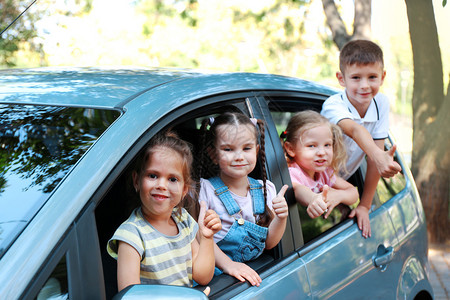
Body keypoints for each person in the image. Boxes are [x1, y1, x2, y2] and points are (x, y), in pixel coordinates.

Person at [107, 131, 222, 294]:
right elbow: (131, 296)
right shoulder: (131, 235)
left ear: (184, 190)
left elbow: (202, 276)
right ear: (136, 181)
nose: (162, 185)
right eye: (153, 175)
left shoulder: (183, 220)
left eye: (172, 179)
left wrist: (208, 238)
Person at [321, 39, 401, 238]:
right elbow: (355, 131)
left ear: (382, 77)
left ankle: (343, 199)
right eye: (356, 77)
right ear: (341, 78)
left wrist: (365, 206)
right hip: (317, 179)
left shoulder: (380, 102)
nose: (365, 86)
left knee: (352, 195)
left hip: (342, 182)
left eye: (372, 77)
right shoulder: (333, 105)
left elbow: (375, 160)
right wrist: (378, 155)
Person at [197, 112, 289, 287]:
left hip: (250, 275)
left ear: (256, 150)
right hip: (216, 277)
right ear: (213, 154)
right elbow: (199, 238)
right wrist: (229, 265)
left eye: (246, 149)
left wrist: (281, 218)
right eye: (228, 149)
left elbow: (269, 243)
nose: (239, 156)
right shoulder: (206, 190)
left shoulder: (265, 189)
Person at [282, 110, 358, 219]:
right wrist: (313, 199)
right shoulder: (293, 173)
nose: (322, 152)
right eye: (312, 146)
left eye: (327, 145)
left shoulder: (324, 172)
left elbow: (353, 193)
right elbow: (298, 190)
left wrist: (338, 195)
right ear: (291, 149)